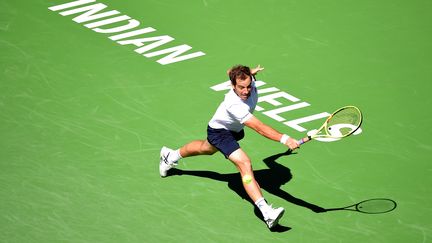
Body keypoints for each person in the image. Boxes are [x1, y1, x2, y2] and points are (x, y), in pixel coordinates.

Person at [159, 64, 300, 229]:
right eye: (241, 88)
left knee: (206, 148)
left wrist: (249, 73)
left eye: (248, 86)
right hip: (220, 132)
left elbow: (231, 73)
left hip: (234, 130)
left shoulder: (249, 81)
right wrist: (284, 138)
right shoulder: (234, 104)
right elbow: (260, 128)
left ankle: (171, 156)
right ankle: (267, 212)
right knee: (245, 163)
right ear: (232, 85)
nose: (246, 91)